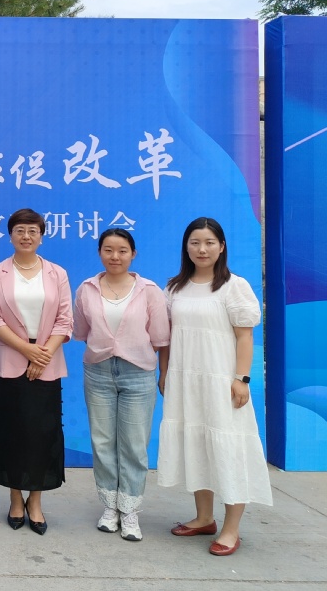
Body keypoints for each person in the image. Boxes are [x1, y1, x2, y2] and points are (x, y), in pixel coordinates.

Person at [157, 217, 272, 556]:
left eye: (209, 242)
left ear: (221, 246)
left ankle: (231, 529)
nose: (202, 249)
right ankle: (204, 518)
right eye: (195, 242)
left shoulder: (234, 286)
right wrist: (165, 373)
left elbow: (245, 336)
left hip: (222, 381)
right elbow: (167, 338)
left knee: (229, 448)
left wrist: (241, 379)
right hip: (185, 380)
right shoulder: (174, 288)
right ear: (186, 247)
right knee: (197, 444)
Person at [72, 228, 170, 541]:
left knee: (134, 445)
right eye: (109, 250)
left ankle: (130, 510)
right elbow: (82, 331)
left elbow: (161, 339)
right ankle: (109, 507)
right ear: (100, 252)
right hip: (98, 372)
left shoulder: (149, 291)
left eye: (122, 250)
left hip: (138, 373)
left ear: (133, 254)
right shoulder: (86, 288)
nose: (115, 256)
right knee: (102, 442)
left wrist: (161, 373)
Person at [0, 207, 72, 535]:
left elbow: (65, 319)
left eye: (33, 231)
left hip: (46, 363)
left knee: (42, 434)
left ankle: (35, 500)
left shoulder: (57, 273)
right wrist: (27, 350)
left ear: (41, 236)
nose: (26, 236)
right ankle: (15, 498)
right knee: (12, 432)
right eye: (20, 230)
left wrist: (41, 355)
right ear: (10, 235)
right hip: (9, 361)